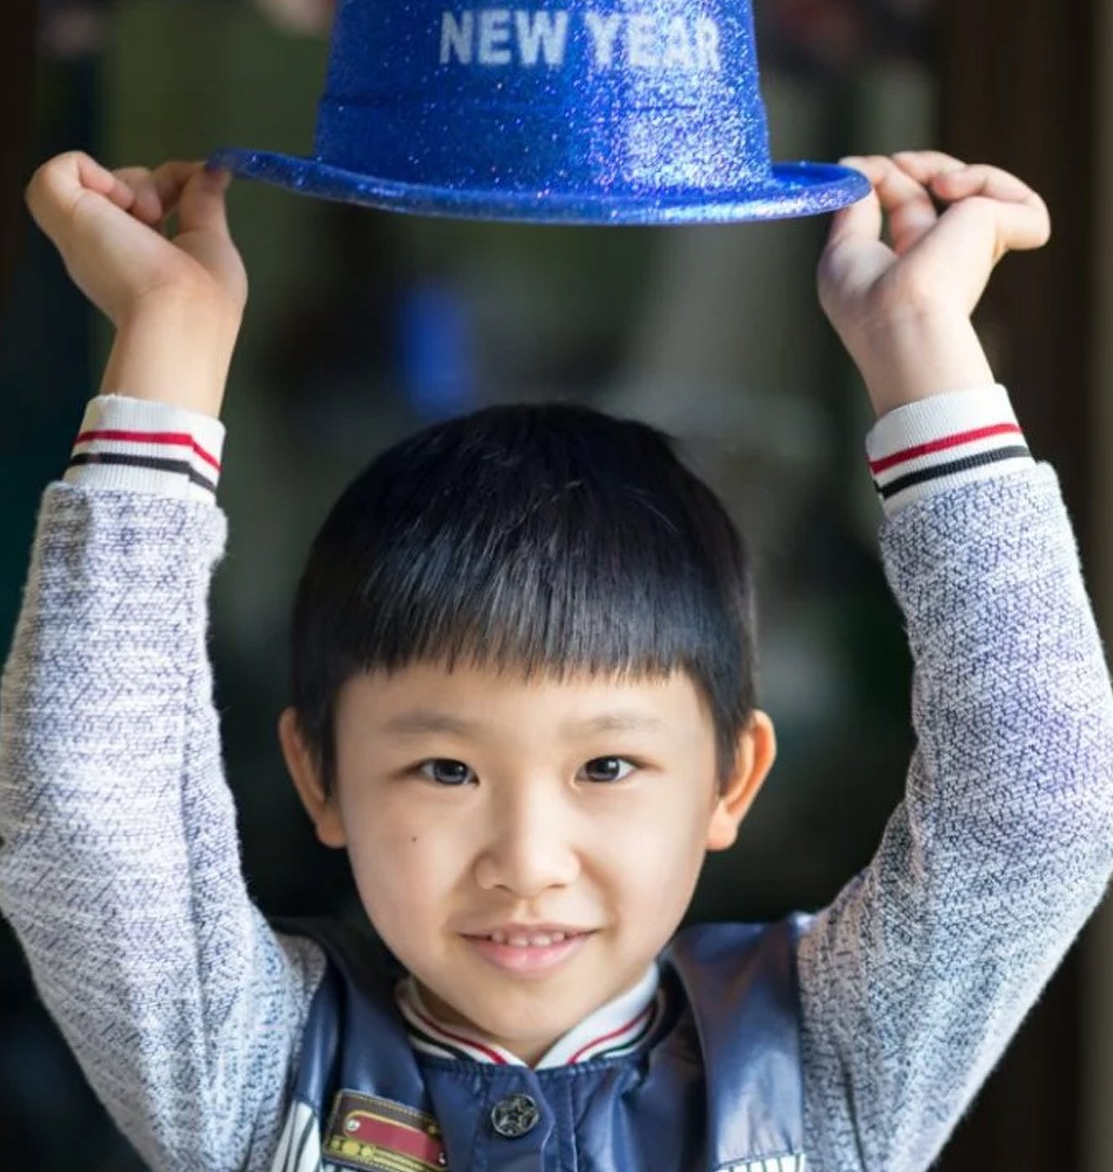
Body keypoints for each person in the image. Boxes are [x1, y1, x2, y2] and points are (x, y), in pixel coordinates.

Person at [3, 148, 1112, 1172]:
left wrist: (918, 339)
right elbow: (90, 819)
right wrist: (171, 335)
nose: (527, 863)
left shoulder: (816, 1064)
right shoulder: (255, 1071)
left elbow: (1037, 804)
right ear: (320, 775)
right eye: (446, 769)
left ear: (731, 777)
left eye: (607, 766)